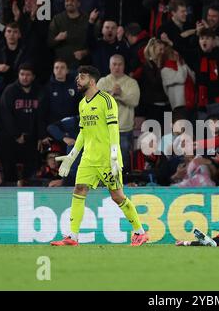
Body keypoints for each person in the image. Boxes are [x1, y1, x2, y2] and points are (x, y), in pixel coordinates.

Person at [50, 65, 148, 246]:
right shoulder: (82, 104)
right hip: (89, 158)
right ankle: (73, 236)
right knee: (79, 189)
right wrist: (72, 155)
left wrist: (113, 155)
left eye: (82, 77)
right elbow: (83, 132)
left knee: (117, 196)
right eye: (78, 76)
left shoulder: (106, 100)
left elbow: (113, 128)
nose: (78, 80)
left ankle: (139, 232)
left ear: (92, 81)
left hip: (107, 158)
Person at [97, 54, 140, 174]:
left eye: (119, 64)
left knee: (123, 161)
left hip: (124, 130)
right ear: (110, 66)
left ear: (124, 66)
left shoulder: (131, 83)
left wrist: (121, 94)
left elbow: (134, 101)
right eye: (114, 64)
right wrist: (112, 93)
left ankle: (123, 185)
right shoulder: (103, 82)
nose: (117, 67)